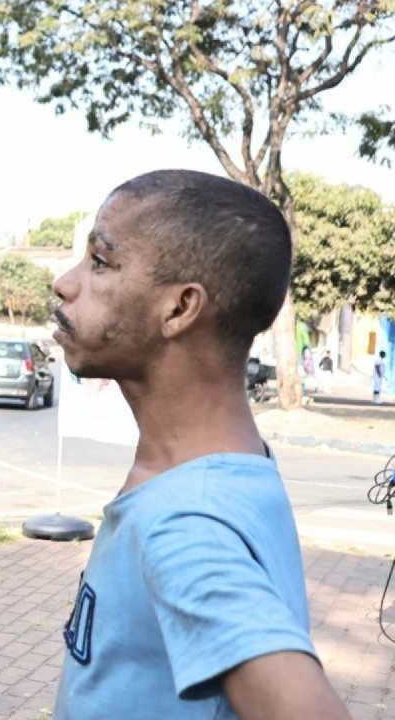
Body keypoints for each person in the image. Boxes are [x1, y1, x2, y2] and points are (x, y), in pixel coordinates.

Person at [50, 169, 347, 719]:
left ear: (180, 308)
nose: (65, 284)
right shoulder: (225, 463)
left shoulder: (186, 523)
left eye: (101, 262)